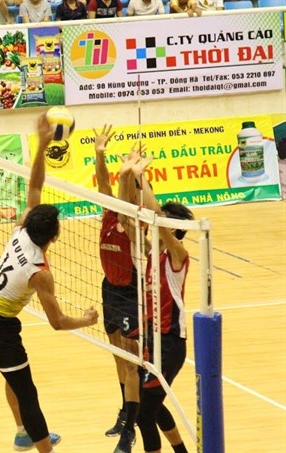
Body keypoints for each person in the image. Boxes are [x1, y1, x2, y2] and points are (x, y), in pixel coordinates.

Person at [0, 113, 99, 453]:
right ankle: (43, 447)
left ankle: (23, 431)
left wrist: (41, 144)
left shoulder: (22, 228)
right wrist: (86, 319)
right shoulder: (41, 272)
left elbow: (35, 186)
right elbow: (57, 323)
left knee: (13, 375)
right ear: (54, 235)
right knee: (27, 391)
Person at [116, 152, 193, 453]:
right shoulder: (152, 252)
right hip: (153, 340)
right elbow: (128, 218)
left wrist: (142, 178)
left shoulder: (178, 255)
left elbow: (158, 217)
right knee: (155, 407)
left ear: (173, 228)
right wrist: (132, 177)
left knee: (144, 415)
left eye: (163, 221)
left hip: (171, 342)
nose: (154, 222)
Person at [92, 126, 141, 450]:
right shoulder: (109, 212)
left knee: (131, 356)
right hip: (109, 288)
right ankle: (125, 409)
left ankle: (132, 425)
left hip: (130, 291)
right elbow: (107, 185)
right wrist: (99, 152)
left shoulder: (134, 221)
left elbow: (126, 191)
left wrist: (129, 171)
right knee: (116, 352)